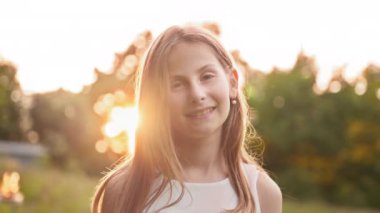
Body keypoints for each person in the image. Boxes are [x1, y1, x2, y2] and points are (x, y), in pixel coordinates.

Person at [92, 25, 282, 213]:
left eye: (207, 76)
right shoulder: (125, 190)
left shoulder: (262, 193)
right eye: (177, 84)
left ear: (232, 82)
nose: (197, 94)